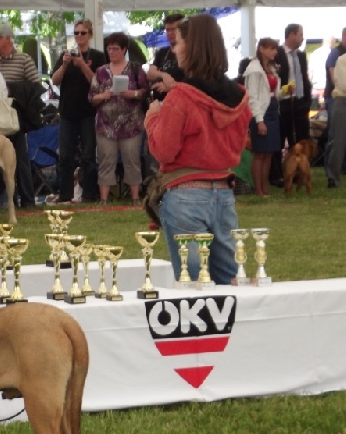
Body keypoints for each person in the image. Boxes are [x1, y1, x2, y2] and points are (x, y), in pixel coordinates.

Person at [145, 14, 251, 285]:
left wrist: (153, 118)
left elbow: (164, 151)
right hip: (224, 194)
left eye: (178, 42)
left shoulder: (181, 97)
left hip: (185, 196)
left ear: (192, 47)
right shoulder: (239, 96)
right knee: (230, 282)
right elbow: (239, 145)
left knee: (192, 286)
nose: (174, 49)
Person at [88, 32, 148, 205]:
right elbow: (91, 97)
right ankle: (104, 199)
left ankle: (135, 197)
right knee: (106, 161)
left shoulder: (135, 69)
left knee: (132, 160)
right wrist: (104, 95)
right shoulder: (100, 72)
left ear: (124, 50)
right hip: (105, 126)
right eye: (109, 49)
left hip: (131, 125)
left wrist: (132, 94)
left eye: (115, 49)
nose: (111, 52)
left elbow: (145, 91)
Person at [50, 19, 105, 205]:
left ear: (90, 35)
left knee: (88, 156)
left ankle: (88, 194)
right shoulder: (65, 55)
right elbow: (54, 81)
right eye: (76, 33)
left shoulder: (97, 56)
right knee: (65, 156)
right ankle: (65, 195)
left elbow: (98, 83)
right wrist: (65, 65)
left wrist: (82, 65)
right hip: (67, 112)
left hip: (88, 112)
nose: (79, 36)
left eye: (83, 33)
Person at [0, 22, 38, 208]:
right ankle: (2, 199)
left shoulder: (24, 59)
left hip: (15, 117)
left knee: (20, 158)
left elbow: (36, 86)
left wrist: (11, 90)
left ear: (8, 39)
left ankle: (27, 200)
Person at [273, 23, 312, 186]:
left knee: (301, 138)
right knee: (281, 138)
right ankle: (277, 174)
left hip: (300, 101)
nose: (302, 38)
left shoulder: (301, 56)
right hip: (284, 101)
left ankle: (300, 172)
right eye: (300, 34)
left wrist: (307, 100)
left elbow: (304, 77)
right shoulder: (278, 54)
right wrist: (284, 90)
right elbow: (275, 78)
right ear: (291, 35)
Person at [243, 38, 282, 197]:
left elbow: (272, 92)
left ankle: (265, 186)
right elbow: (252, 97)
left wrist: (284, 91)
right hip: (260, 112)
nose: (275, 52)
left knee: (269, 152)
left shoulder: (271, 68)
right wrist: (259, 120)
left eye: (275, 49)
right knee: (259, 153)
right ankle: (258, 189)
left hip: (272, 110)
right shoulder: (254, 70)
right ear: (261, 49)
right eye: (271, 49)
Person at [147, 14, 186, 99]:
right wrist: (164, 75)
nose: (170, 33)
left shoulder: (189, 53)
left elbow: (193, 82)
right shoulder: (162, 52)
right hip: (160, 101)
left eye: (173, 29)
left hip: (179, 100)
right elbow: (150, 74)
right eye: (168, 30)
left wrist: (171, 86)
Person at [326, 53, 346, 189]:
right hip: (343, 101)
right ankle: (333, 177)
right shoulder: (342, 60)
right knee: (339, 140)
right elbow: (344, 84)